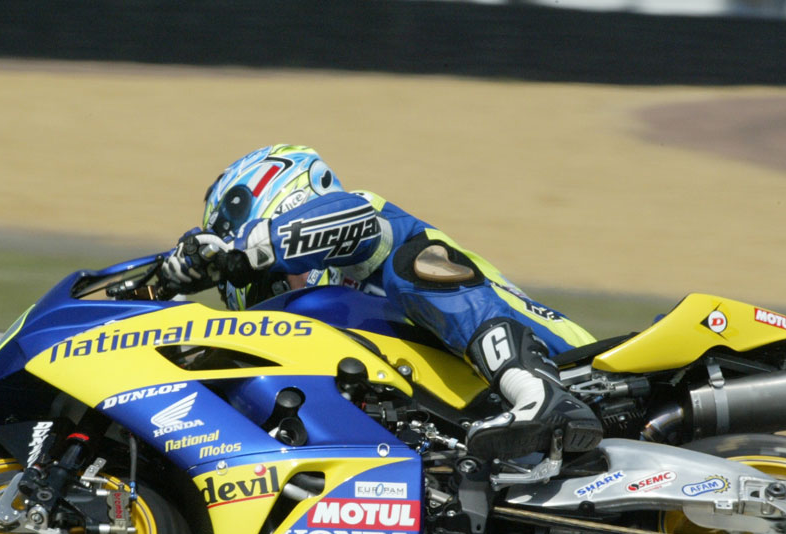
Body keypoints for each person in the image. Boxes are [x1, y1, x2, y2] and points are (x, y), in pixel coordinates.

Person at [160, 144, 602, 461]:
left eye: (273, 279)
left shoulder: (368, 225)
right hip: (476, 419)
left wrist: (251, 249)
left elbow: (357, 224)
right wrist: (162, 285)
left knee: (413, 264)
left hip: (577, 367)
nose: (277, 293)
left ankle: (537, 391)